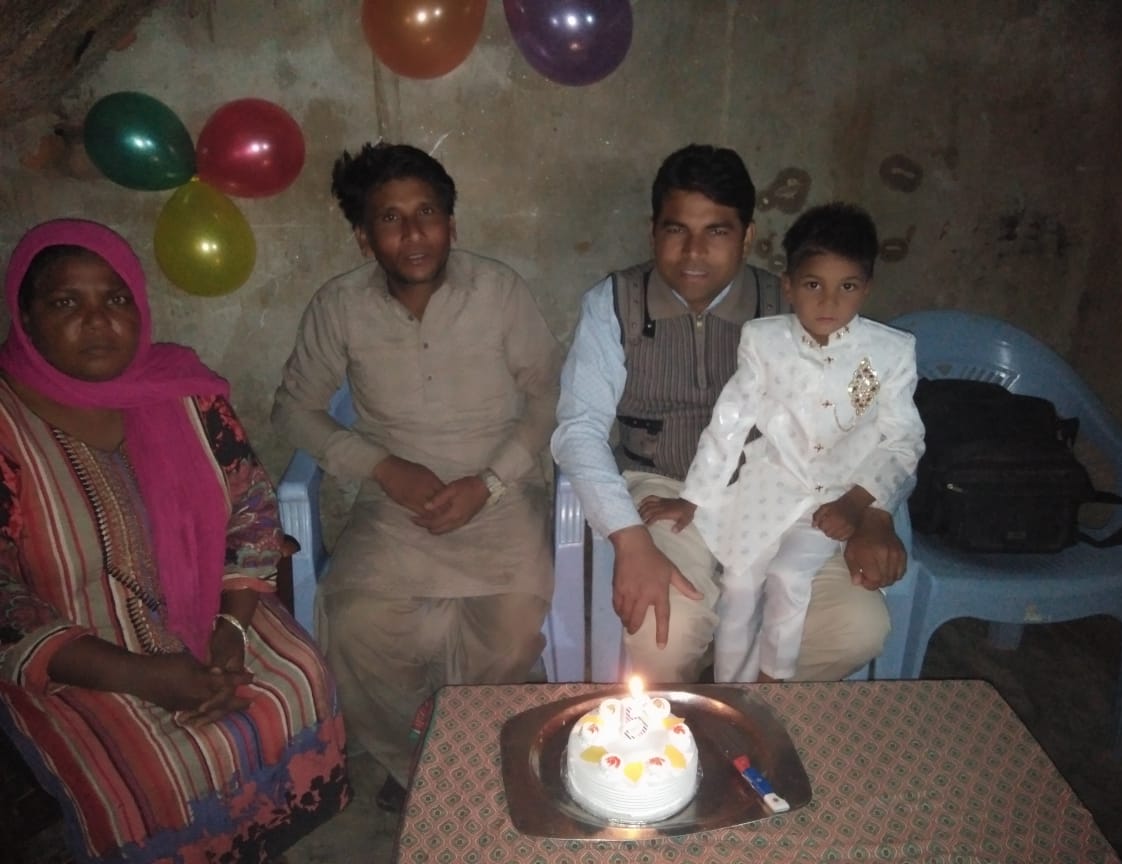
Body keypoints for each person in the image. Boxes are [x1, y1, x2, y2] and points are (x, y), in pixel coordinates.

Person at [0, 219, 349, 863]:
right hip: (81, 647)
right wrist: (143, 675)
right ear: (23, 315)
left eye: (116, 298)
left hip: (208, 610)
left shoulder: (186, 392)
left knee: (298, 676)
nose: (98, 320)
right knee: (150, 766)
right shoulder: (7, 427)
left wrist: (232, 629)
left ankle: (259, 841)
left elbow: (251, 508)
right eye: (66, 302)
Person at [272, 143, 562, 810]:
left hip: (500, 495)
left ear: (452, 224)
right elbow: (294, 409)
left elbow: (549, 397)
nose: (413, 234)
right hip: (396, 508)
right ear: (363, 235)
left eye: (427, 213)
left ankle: (474, 744)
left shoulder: (499, 292)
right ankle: (414, 766)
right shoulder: (339, 306)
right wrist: (380, 467)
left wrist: (488, 482)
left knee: (515, 623)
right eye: (391, 218)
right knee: (356, 620)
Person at [552, 145, 909, 685]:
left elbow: (876, 421)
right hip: (664, 494)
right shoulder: (615, 303)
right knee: (662, 632)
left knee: (855, 626)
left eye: (717, 231)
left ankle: (750, 711)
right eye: (676, 230)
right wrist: (629, 538)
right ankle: (694, 710)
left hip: (785, 497)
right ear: (654, 231)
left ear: (746, 236)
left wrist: (874, 509)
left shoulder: (795, 299)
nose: (693, 252)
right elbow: (579, 430)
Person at [668, 203, 925, 681]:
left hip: (838, 498)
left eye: (846, 287)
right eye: (813, 285)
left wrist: (857, 502)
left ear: (866, 288)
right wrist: (693, 498)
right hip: (771, 486)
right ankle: (730, 690)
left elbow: (904, 440)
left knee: (788, 576)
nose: (829, 303)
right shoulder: (764, 342)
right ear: (788, 286)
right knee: (741, 584)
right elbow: (730, 422)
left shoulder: (888, 353)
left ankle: (774, 683)